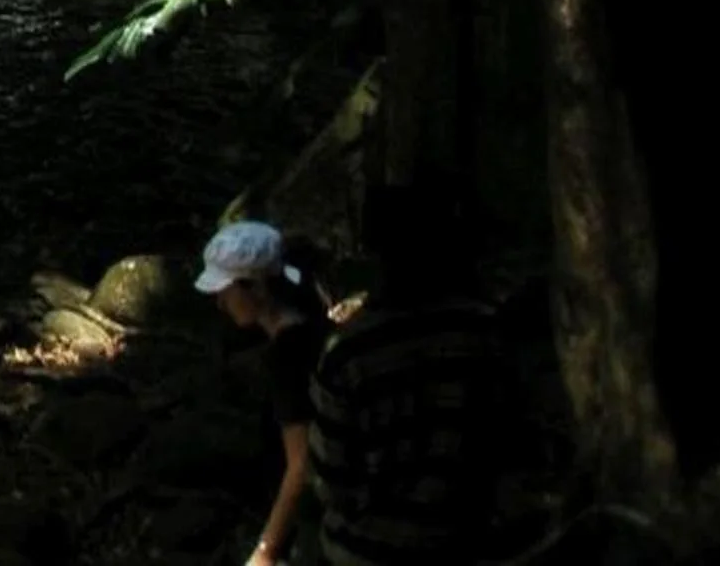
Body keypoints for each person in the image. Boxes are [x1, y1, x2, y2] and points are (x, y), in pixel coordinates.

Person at [307, 189, 516, 565]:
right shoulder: (483, 328)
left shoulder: (348, 354)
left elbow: (331, 480)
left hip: (368, 551)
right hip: (467, 541)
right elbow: (505, 437)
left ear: (374, 254)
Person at [197, 218, 328, 566]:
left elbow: (301, 464)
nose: (221, 304)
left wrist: (265, 552)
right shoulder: (316, 327)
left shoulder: (286, 356)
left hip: (313, 527)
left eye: (225, 292)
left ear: (254, 288)